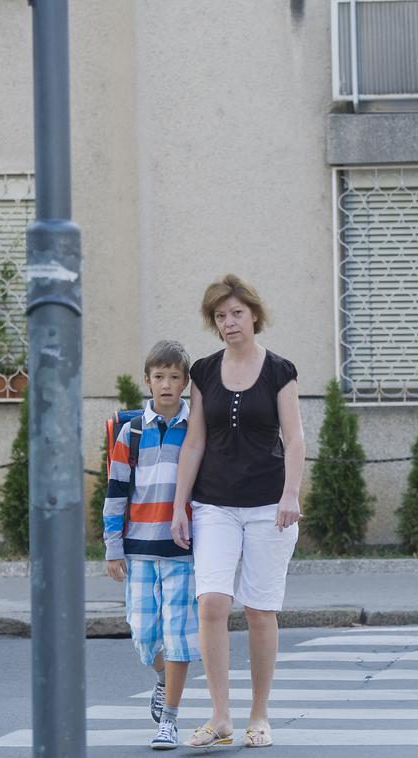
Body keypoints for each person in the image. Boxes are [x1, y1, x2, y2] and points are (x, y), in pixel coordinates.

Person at [170, 274, 304, 749]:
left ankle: (259, 714)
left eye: (237, 314)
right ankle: (220, 716)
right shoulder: (204, 372)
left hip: (270, 506)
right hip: (214, 505)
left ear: (254, 315)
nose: (229, 322)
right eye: (220, 316)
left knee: (260, 611)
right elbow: (195, 441)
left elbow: (295, 439)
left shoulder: (279, 370)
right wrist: (180, 505)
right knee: (212, 603)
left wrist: (291, 495)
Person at [102, 340, 199, 750]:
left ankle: (170, 721)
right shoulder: (132, 431)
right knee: (144, 635)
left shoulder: (197, 428)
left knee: (178, 636)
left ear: (185, 382)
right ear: (148, 380)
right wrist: (112, 545)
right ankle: (161, 677)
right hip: (139, 550)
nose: (166, 384)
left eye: (174, 377)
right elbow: (116, 491)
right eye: (159, 377)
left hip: (181, 550)